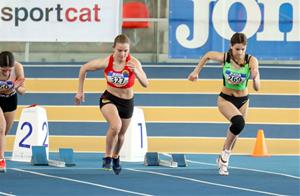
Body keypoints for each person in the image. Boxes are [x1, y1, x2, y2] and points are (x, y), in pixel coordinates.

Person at [75, 34, 149, 175]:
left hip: (127, 102)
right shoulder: (106, 62)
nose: (123, 54)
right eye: (120, 50)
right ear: (113, 49)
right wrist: (80, 91)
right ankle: (107, 156)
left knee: (121, 135)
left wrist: (137, 72)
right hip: (109, 98)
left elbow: (146, 83)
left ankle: (116, 157)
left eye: (126, 51)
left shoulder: (134, 63)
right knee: (115, 126)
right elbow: (84, 68)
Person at [188, 32, 260, 176]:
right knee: (239, 123)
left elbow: (257, 84)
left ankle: (223, 158)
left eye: (243, 49)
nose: (240, 52)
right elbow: (208, 55)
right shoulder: (225, 57)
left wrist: (255, 78)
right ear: (231, 47)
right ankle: (224, 157)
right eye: (237, 49)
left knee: (236, 131)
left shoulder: (251, 60)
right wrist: (196, 71)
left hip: (243, 100)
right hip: (225, 98)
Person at [0, 51, 26, 172]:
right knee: (1, 127)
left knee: (3, 133)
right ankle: (1, 160)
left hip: (10, 99)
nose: (7, 72)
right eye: (3, 70)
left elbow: (23, 89)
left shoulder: (18, 67)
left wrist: (16, 86)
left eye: (9, 69)